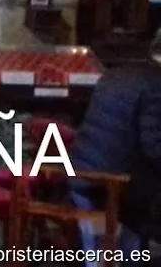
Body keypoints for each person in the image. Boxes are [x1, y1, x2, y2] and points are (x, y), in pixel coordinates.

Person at [69, 32, 161, 264]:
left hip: (83, 172)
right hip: (111, 185)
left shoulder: (116, 73)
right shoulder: (156, 85)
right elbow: (153, 145)